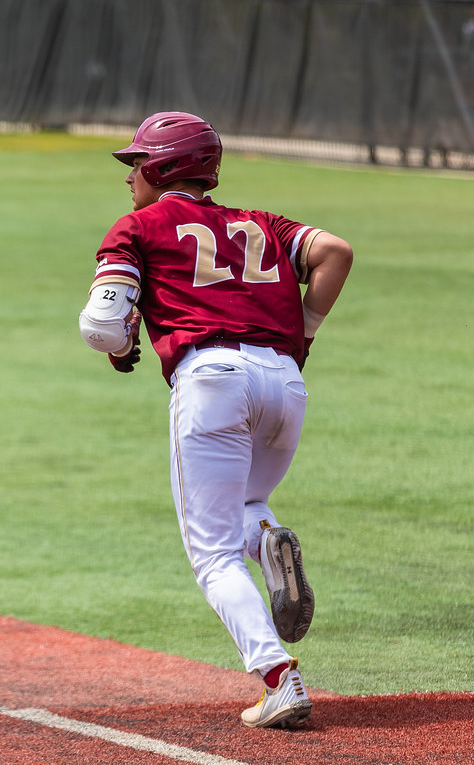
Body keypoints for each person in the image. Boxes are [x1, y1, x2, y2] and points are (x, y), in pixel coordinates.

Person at [78, 112, 352, 729]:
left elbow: (100, 324)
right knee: (249, 501)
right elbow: (335, 252)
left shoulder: (139, 227)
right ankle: (268, 541)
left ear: (163, 167)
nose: (130, 178)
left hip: (212, 382)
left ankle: (279, 678)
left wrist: (122, 345)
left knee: (212, 556)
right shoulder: (263, 224)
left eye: (137, 164)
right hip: (284, 383)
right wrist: (302, 330)